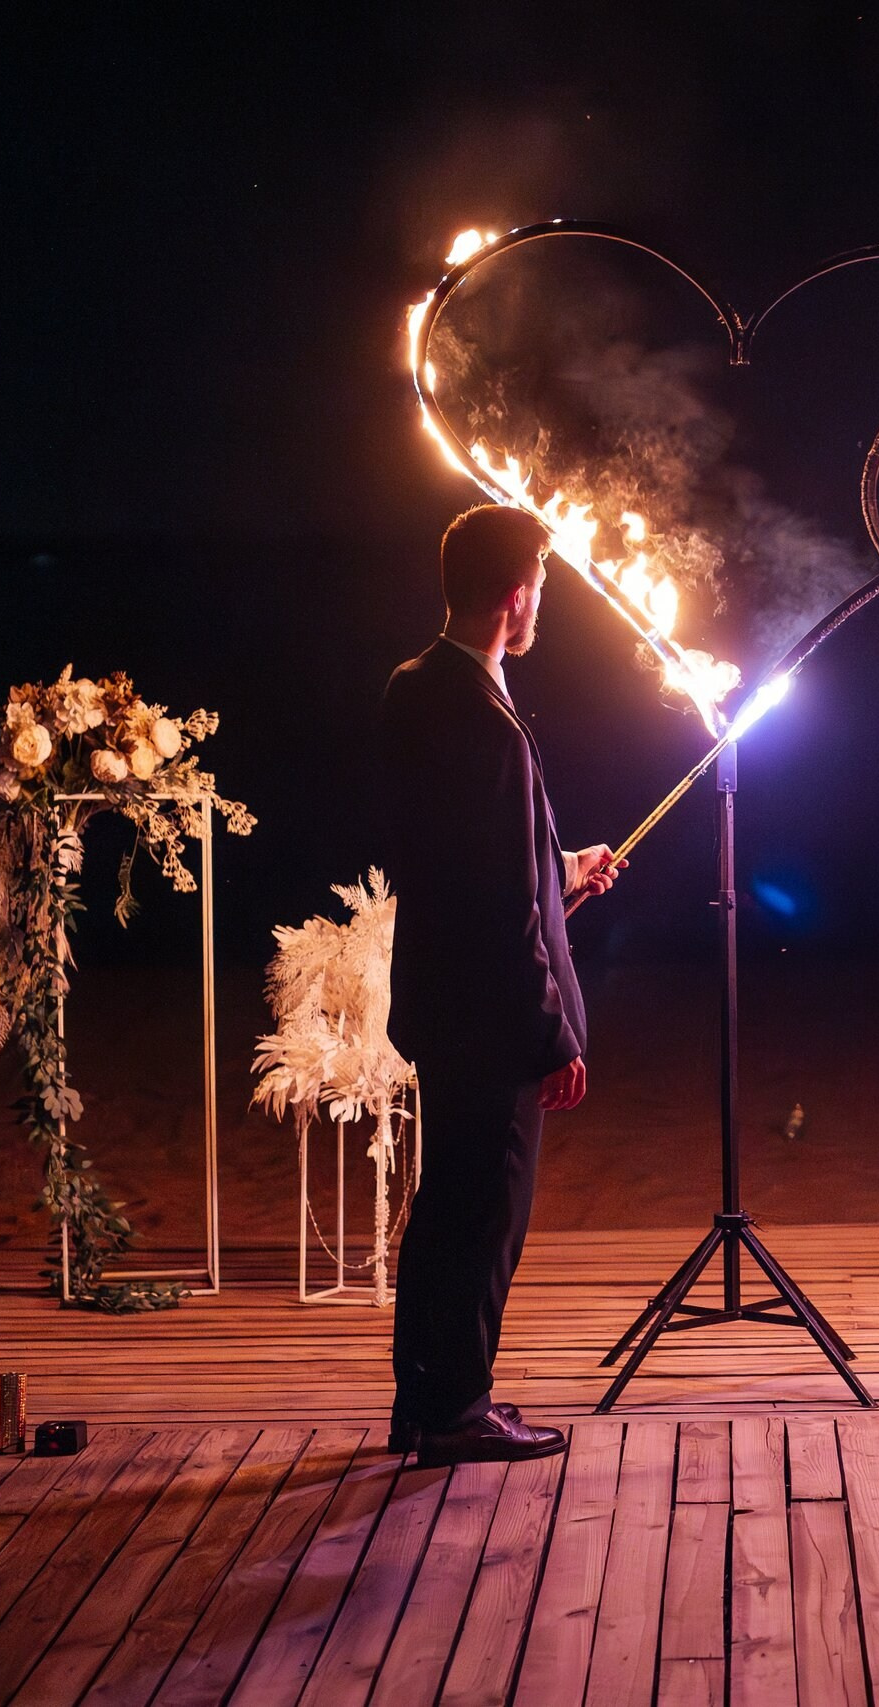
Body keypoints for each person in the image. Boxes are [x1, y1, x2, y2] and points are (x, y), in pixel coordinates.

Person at [380, 504, 624, 1467]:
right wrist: (553, 1034)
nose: (543, 603)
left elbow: (466, 860)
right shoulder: (489, 721)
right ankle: (459, 1409)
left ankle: (422, 1400)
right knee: (486, 1216)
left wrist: (562, 870)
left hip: (442, 1003)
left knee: (445, 1206)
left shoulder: (414, 687)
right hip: (492, 1017)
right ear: (515, 596)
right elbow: (499, 904)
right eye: (542, 586)